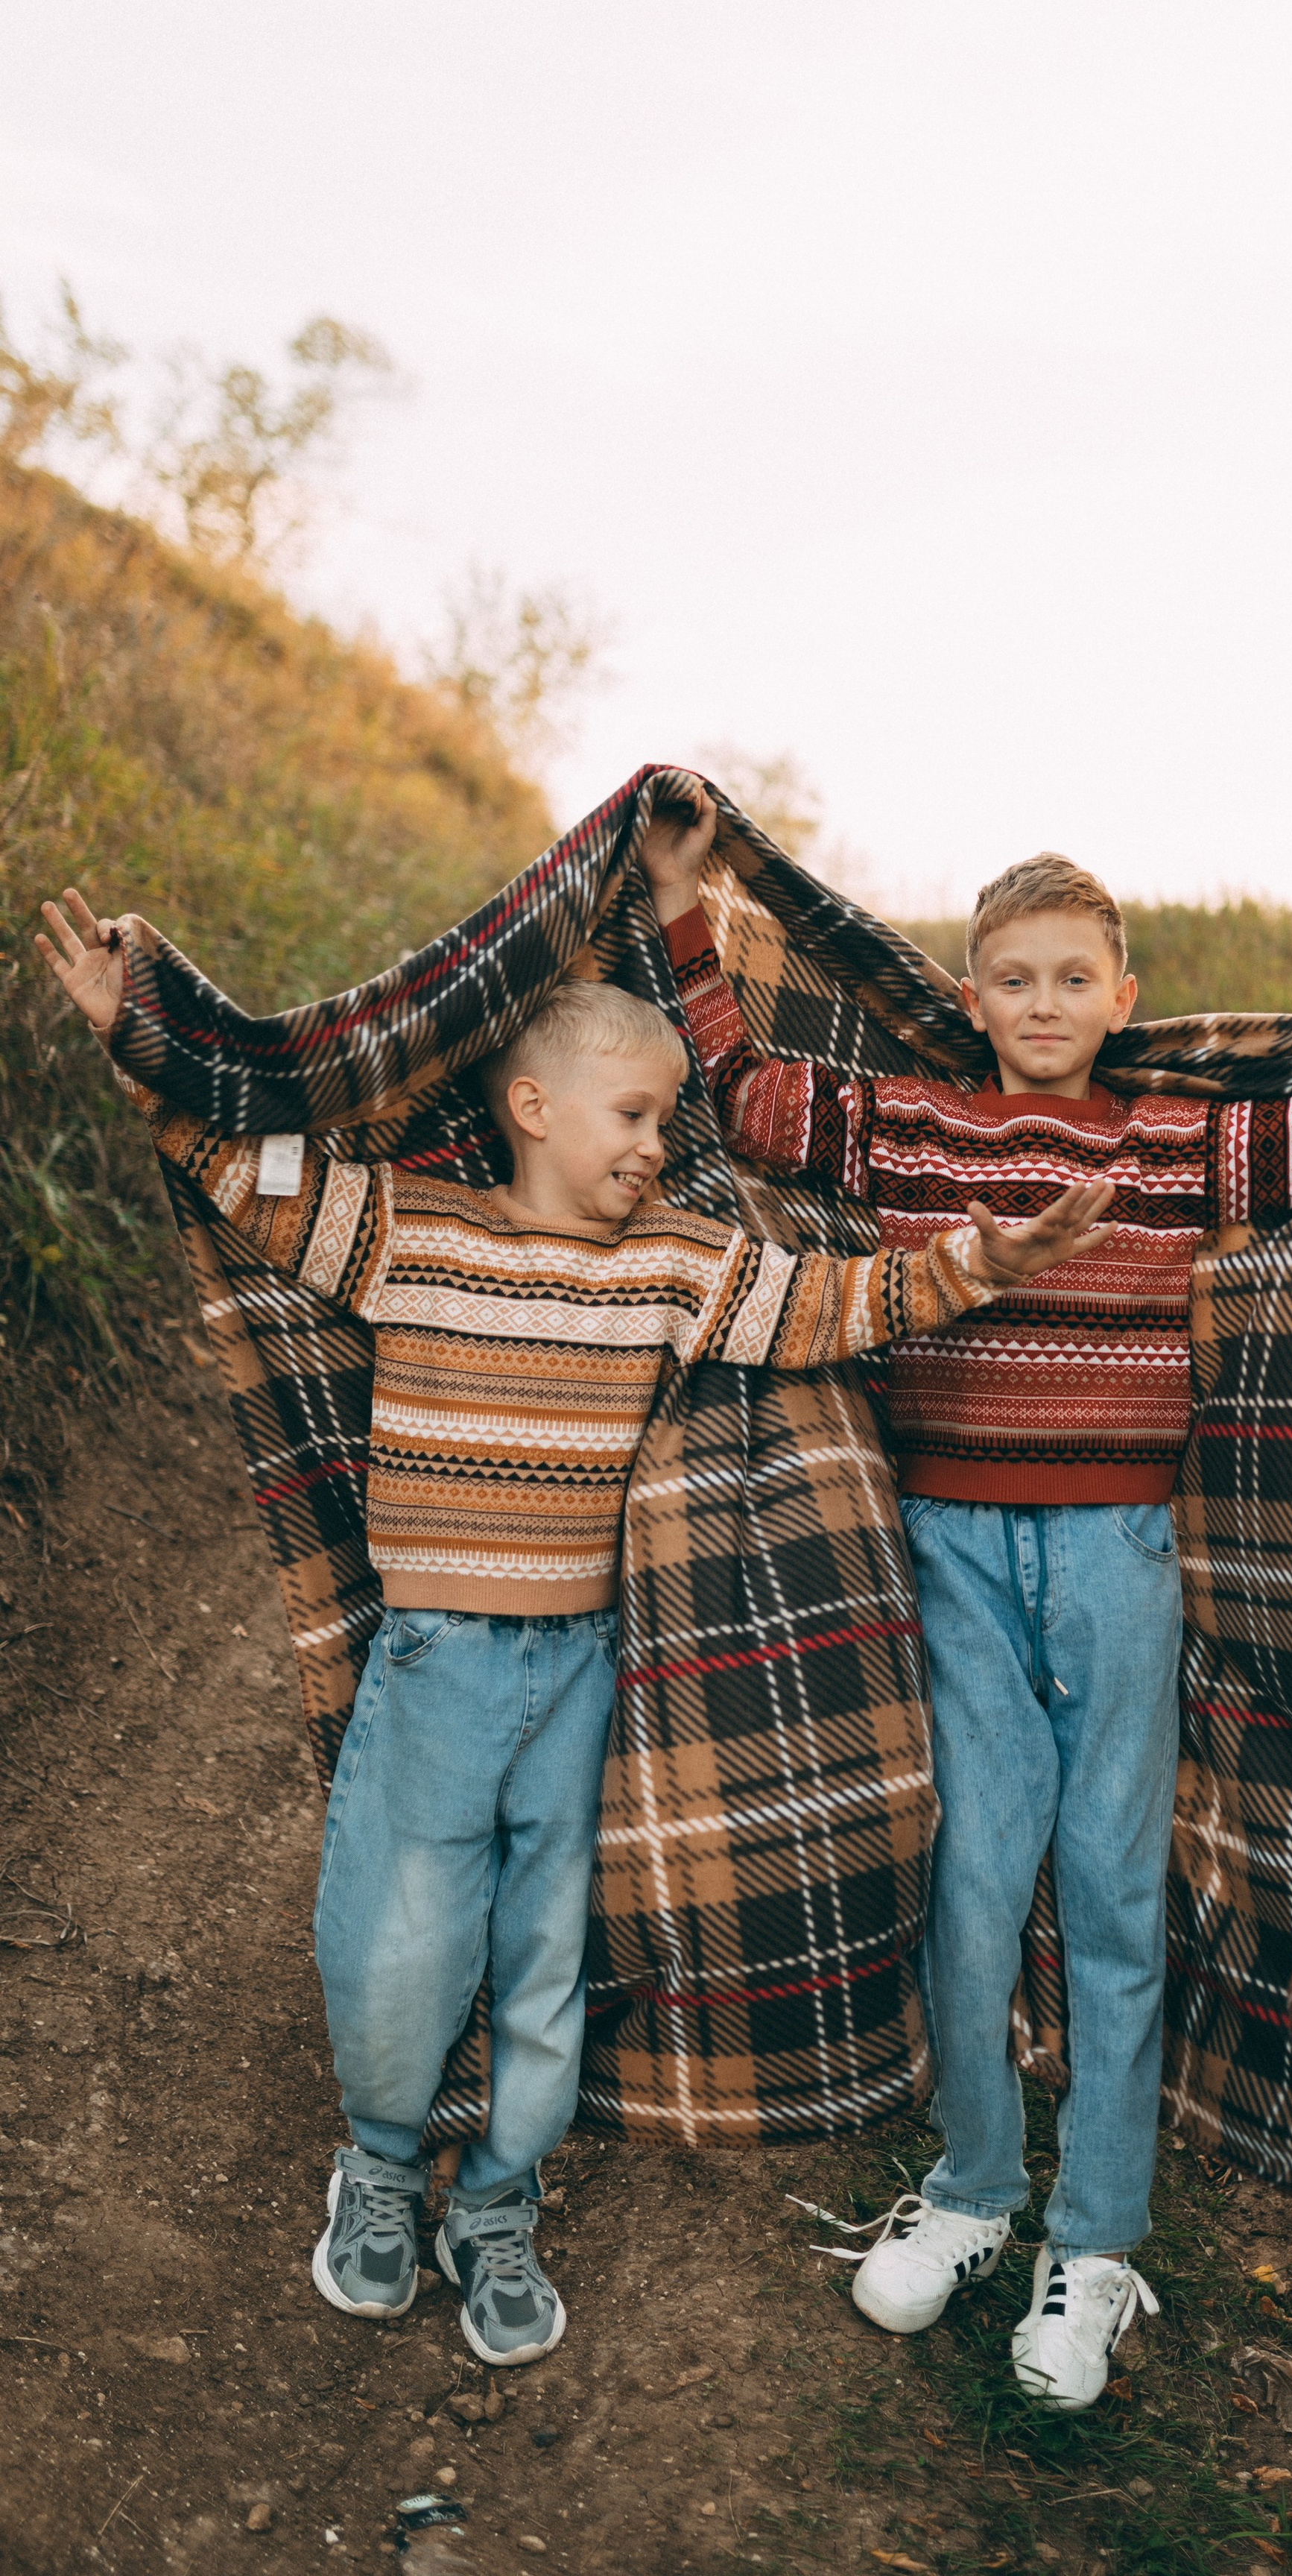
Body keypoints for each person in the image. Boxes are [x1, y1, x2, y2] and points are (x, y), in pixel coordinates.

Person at [642, 790, 1292, 2412]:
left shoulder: (1173, 1141)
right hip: (951, 1544)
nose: (1046, 1005)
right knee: (976, 1880)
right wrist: (674, 901)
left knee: (1114, 1894)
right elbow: (747, 1097)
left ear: (1120, 997)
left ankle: (1097, 2243)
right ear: (973, 988)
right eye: (1015, 977)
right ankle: (974, 2190)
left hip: (1116, 1559)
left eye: (1075, 977)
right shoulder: (915, 1126)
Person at [36, 886, 1113, 2371]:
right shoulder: (406, 1234)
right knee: (401, 1938)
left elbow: (820, 1306)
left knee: (546, 1957)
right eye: (632, 1115)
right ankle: (378, 2162)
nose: (656, 1147)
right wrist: (142, 1037)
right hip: (431, 1664)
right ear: (531, 1105)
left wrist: (982, 1263)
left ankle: (497, 2201)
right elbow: (238, 1166)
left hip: (578, 1674)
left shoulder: (670, 1263)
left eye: (669, 1124)